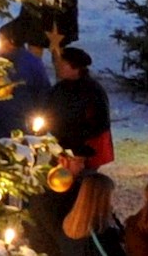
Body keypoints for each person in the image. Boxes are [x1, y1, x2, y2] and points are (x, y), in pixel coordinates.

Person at [45, 41, 115, 172]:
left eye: (63, 64)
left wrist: (77, 142)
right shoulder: (58, 89)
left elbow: (100, 123)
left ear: (75, 68)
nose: (57, 66)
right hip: (63, 147)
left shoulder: (93, 91)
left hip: (85, 151)